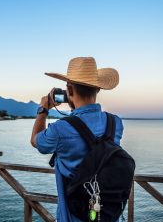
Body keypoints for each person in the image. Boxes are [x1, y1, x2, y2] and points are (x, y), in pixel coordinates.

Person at [30, 57, 124, 222]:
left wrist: (43, 109)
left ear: (69, 90)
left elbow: (35, 141)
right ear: (98, 89)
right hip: (107, 215)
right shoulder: (115, 123)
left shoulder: (61, 129)